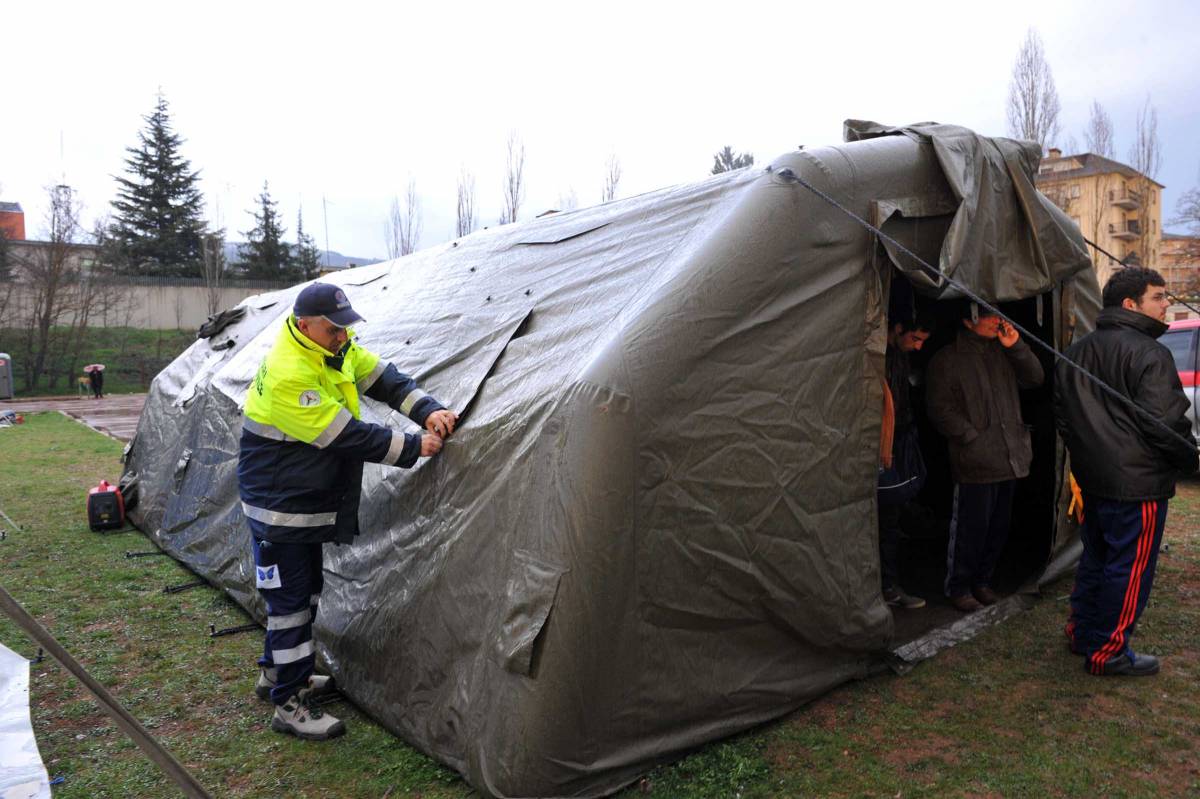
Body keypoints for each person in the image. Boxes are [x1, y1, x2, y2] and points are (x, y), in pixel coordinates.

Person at [237, 282, 458, 739]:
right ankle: (290, 703)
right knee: (292, 605)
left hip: (301, 500)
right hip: (281, 508)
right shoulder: (289, 373)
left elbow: (384, 379)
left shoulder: (332, 349)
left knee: (303, 593)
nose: (343, 337)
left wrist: (429, 409)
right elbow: (347, 436)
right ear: (305, 326)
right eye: (334, 329)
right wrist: (416, 445)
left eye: (345, 328)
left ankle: (277, 673)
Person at [1055, 267, 1198, 677]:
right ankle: (1108, 651)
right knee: (1129, 567)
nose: (1167, 303)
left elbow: (1064, 418)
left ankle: (1083, 633)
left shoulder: (1078, 350)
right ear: (1130, 305)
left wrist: (1088, 458)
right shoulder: (1150, 352)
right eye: (1159, 296)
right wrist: (1191, 460)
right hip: (1137, 484)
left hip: (1096, 479)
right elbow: (1165, 422)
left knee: (1098, 558)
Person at [926, 303, 1044, 612]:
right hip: (976, 459)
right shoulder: (948, 359)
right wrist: (970, 437)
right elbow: (939, 408)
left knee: (998, 527)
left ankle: (982, 581)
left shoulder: (1003, 350)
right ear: (968, 320)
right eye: (988, 315)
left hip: (1010, 456)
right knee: (970, 528)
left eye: (997, 314)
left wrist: (1016, 346)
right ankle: (959, 586)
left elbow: (1035, 378)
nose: (997, 321)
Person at [878, 311, 935, 609]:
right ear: (897, 328)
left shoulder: (899, 356)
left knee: (893, 517)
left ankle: (889, 583)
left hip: (900, 443)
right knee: (885, 520)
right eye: (915, 338)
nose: (918, 346)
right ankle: (886, 586)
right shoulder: (878, 357)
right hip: (882, 449)